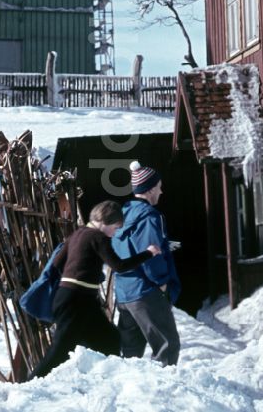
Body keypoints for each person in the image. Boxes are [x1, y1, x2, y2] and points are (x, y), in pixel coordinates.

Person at [28, 199, 160, 379]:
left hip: (75, 299)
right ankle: (31, 383)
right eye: (115, 228)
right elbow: (119, 266)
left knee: (110, 338)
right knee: (60, 349)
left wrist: (85, 272)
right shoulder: (98, 237)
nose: (115, 234)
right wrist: (149, 253)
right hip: (76, 300)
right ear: (105, 222)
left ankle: (104, 380)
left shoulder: (77, 234)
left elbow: (57, 263)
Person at [111, 160, 182, 366]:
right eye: (159, 187)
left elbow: (125, 247)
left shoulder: (123, 214)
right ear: (150, 189)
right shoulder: (150, 216)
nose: (161, 191)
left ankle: (133, 392)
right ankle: (164, 392)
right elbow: (150, 251)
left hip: (125, 292)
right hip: (146, 291)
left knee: (130, 352)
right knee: (167, 346)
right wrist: (162, 281)